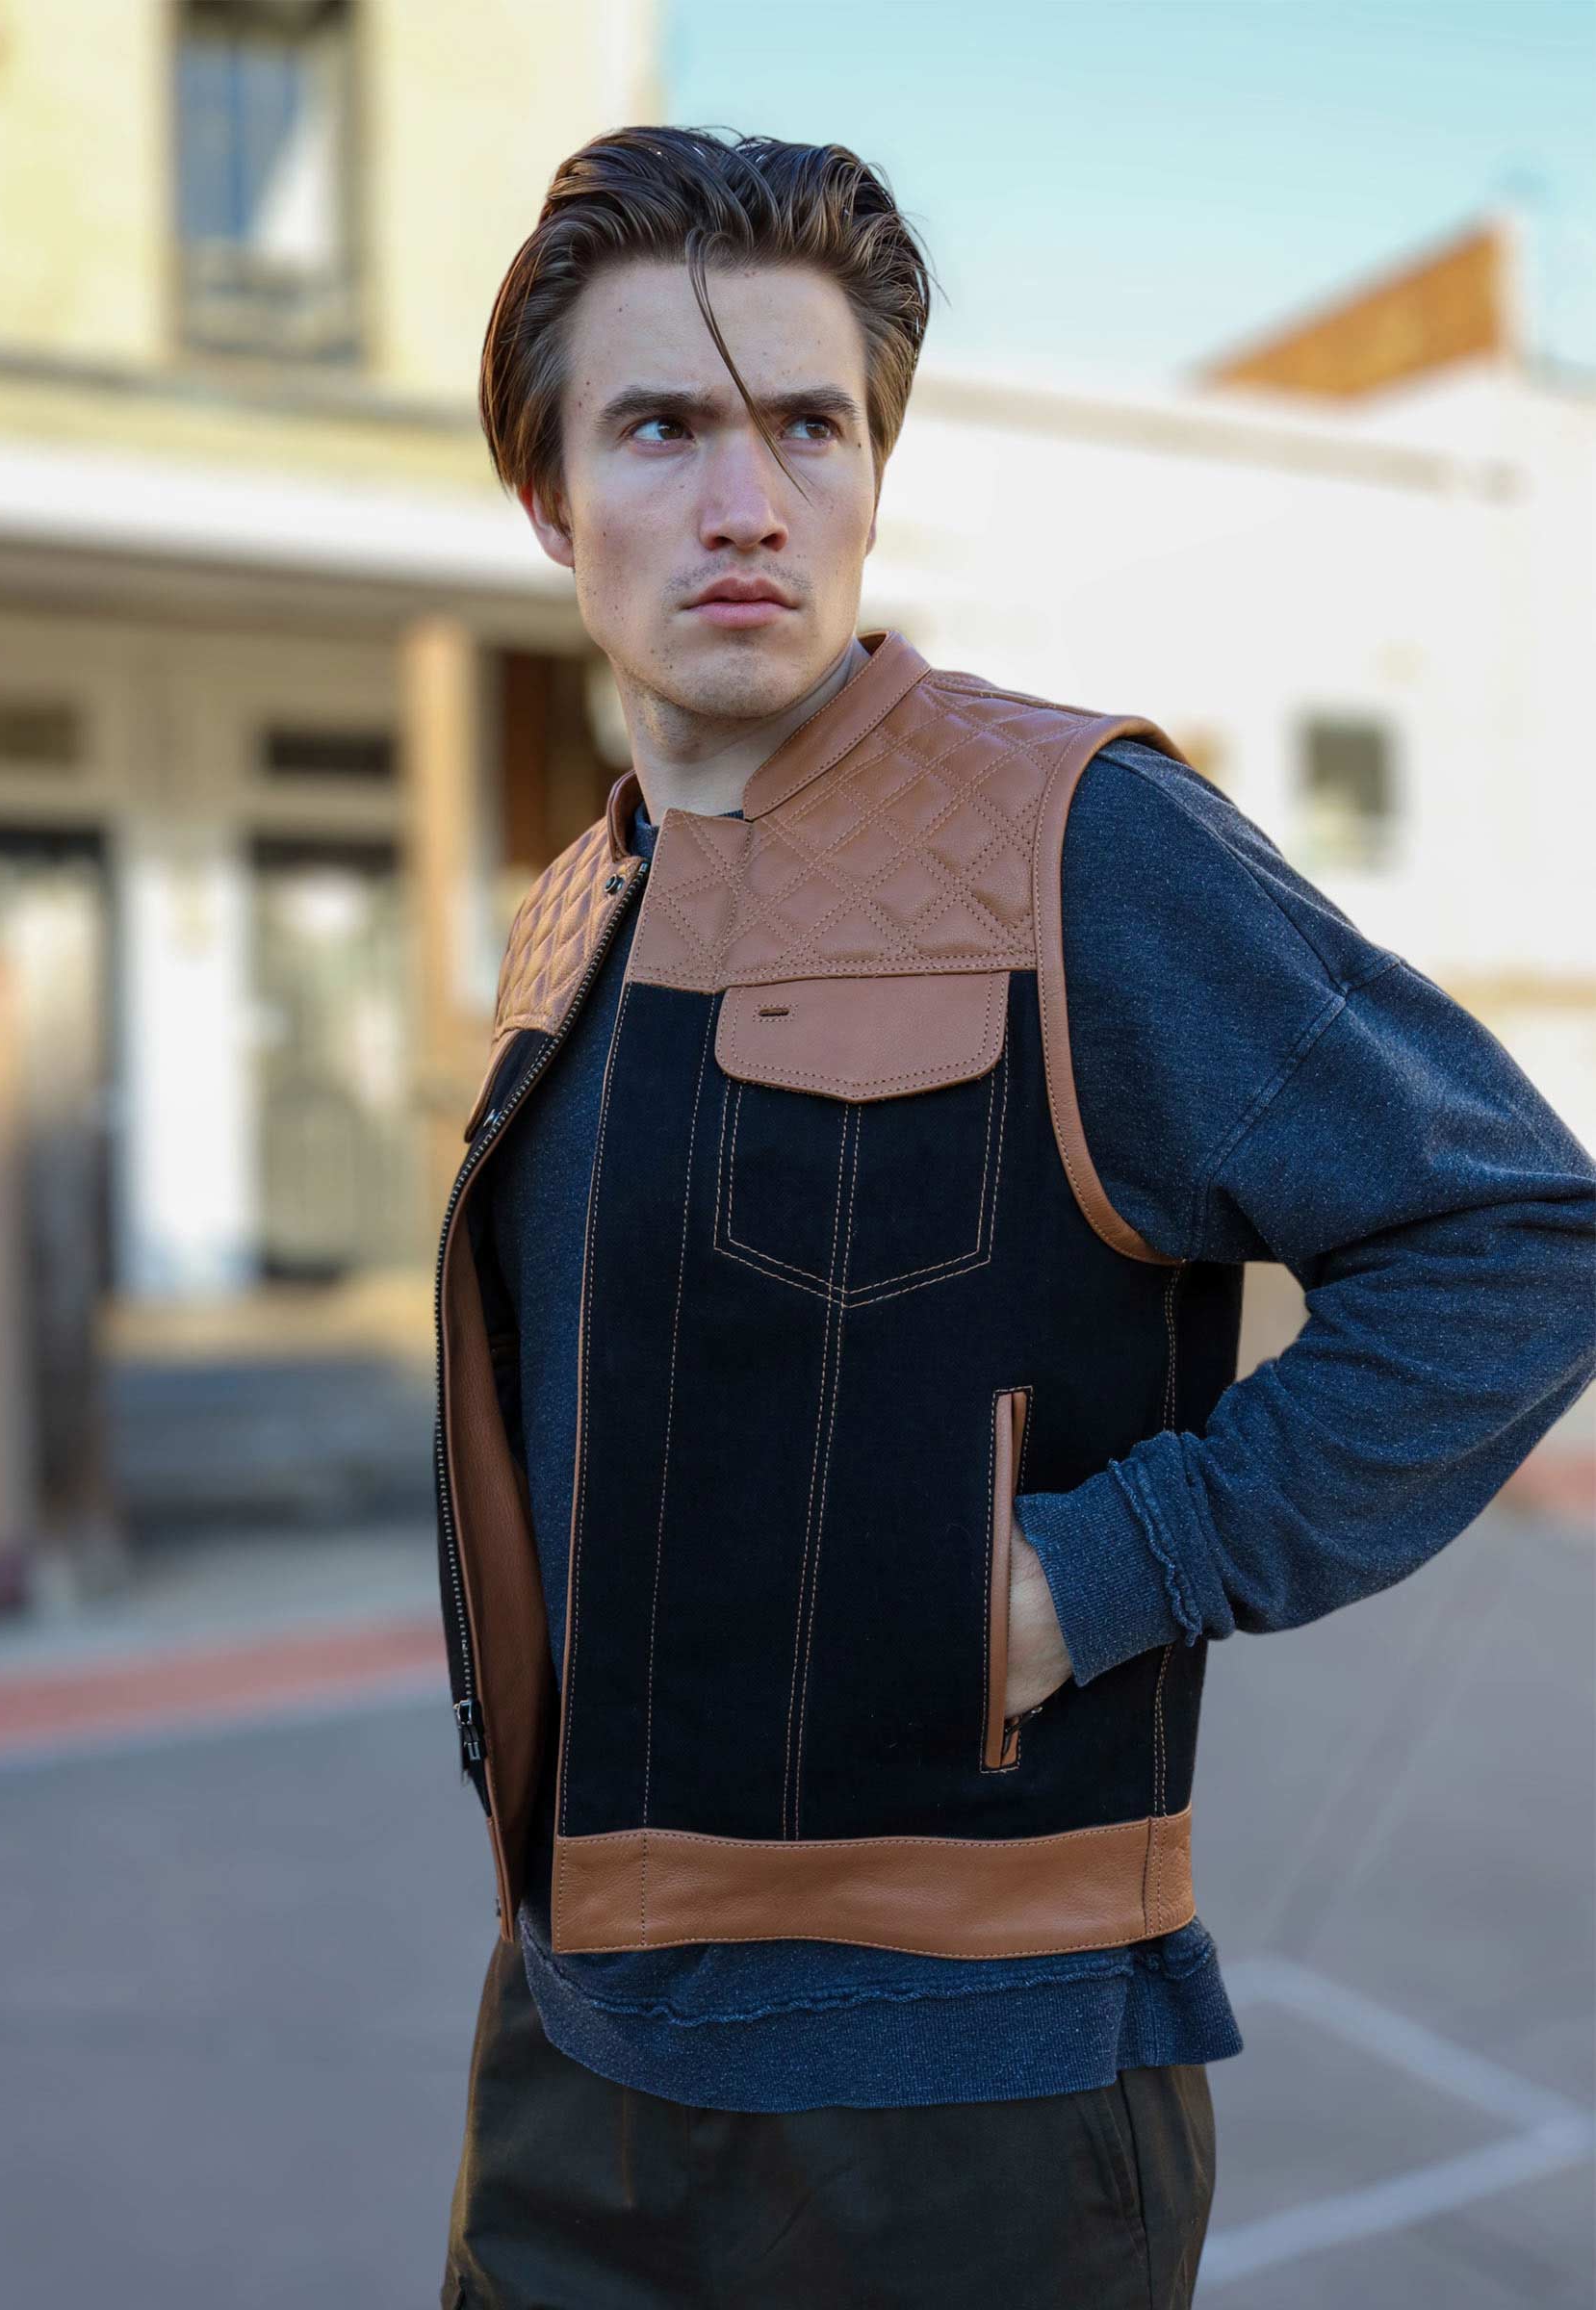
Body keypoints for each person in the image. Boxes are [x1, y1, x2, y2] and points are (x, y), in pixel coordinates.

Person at [433, 126, 1596, 2308]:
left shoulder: (1078, 845)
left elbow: (1516, 1235)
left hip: (968, 2117)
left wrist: (1109, 1565)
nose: (747, 498)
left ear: (874, 473)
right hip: (573, 2067)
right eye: (662, 426)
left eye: (809, 422)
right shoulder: (568, 918)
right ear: (548, 504)